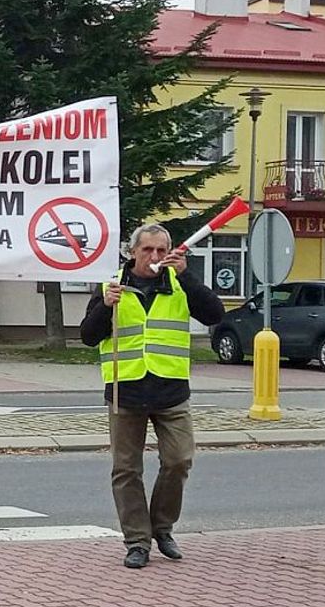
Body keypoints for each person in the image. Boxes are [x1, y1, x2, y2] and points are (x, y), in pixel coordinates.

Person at [79, 223, 225, 569]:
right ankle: (137, 541)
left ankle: (162, 527)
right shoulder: (111, 285)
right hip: (124, 389)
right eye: (148, 250)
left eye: (162, 250)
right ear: (133, 253)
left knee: (179, 460)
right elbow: (88, 336)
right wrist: (104, 307)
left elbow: (214, 314)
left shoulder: (179, 283)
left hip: (170, 389)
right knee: (126, 469)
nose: (155, 257)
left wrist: (187, 277)